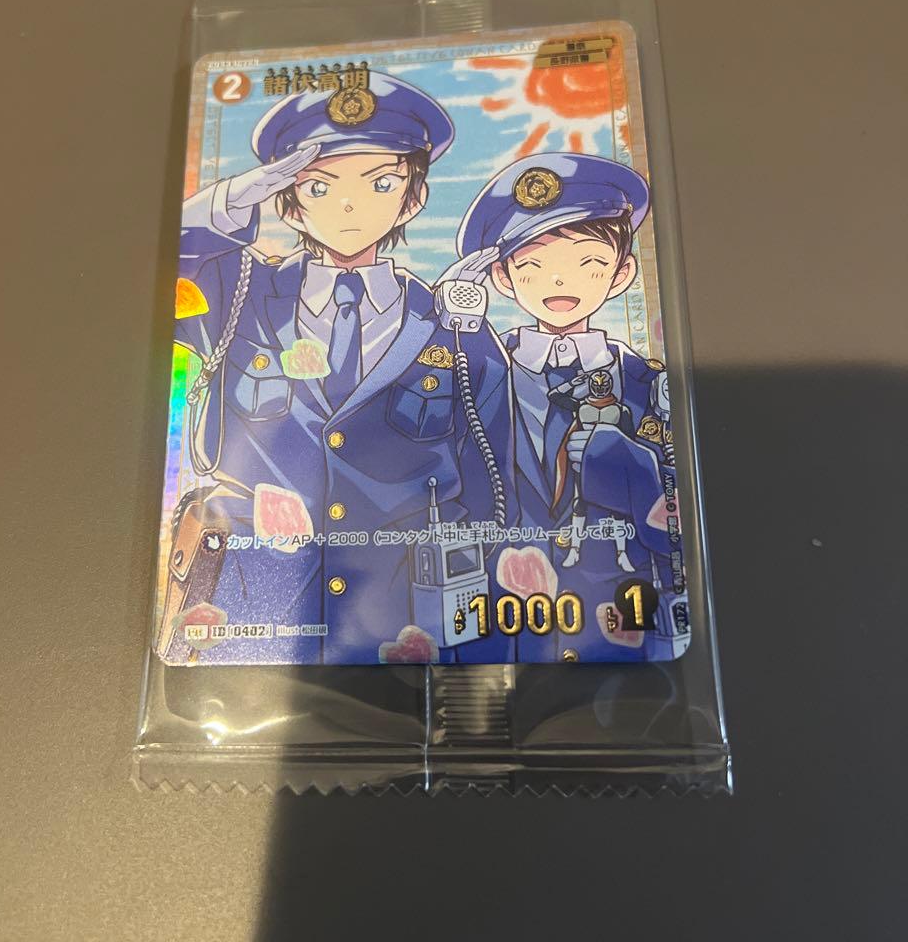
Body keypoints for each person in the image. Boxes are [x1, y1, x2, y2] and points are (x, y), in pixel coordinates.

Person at [170, 72, 515, 665]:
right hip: (251, 606)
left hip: (403, 609)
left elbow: (491, 481)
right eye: (319, 186)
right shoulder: (239, 290)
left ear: (413, 198)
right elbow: (157, 264)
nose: (349, 206)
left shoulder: (450, 324)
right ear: (287, 200)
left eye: (381, 183)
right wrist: (232, 200)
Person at [455, 152, 686, 662]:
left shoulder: (649, 384)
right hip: (497, 618)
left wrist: (639, 471)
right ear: (503, 278)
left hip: (620, 615)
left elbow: (683, 516)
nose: (560, 284)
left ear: (621, 274)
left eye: (589, 265)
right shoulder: (473, 377)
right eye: (533, 267)